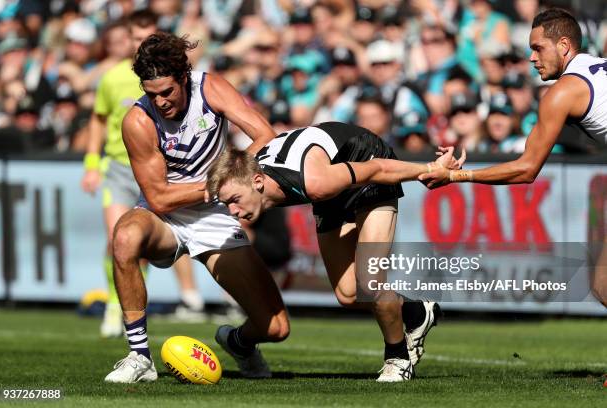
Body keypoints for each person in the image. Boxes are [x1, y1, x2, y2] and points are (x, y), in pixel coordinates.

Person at [207, 121, 465, 382]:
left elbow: (378, 168)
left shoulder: (315, 182)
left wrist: (431, 169)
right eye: (226, 204)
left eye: (234, 201)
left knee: (370, 282)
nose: (232, 212)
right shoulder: (256, 179)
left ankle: (397, 359)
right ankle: (416, 313)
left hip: (367, 159)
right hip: (332, 183)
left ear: (258, 181)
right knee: (347, 293)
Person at [103, 31, 288, 383]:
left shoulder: (212, 88)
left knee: (276, 327)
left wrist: (231, 177)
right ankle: (139, 356)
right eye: (151, 93)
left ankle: (238, 342)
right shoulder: (137, 121)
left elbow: (265, 136)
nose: (160, 102)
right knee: (125, 236)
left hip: (216, 216)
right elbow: (158, 198)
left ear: (184, 78)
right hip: (165, 217)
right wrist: (219, 182)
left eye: (167, 92)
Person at [419, 8, 607, 307]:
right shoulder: (598, 68)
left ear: (563, 46)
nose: (532, 58)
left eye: (537, 48)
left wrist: (456, 175)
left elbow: (527, 169)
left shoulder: (562, 92)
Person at [81, 10, 206, 339]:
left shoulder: (175, 79)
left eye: (145, 38)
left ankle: (133, 308)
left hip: (156, 170)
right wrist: (92, 163)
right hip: (120, 169)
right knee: (117, 239)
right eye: (135, 39)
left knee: (141, 244)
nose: (139, 45)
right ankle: (114, 304)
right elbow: (97, 118)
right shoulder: (112, 78)